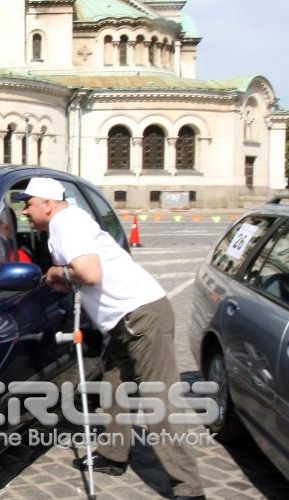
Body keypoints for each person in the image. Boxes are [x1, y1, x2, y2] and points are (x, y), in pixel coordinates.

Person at [18, 177, 205, 500]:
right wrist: (67, 279)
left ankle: (189, 488)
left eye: (29, 204)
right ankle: (113, 455)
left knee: (158, 401)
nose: (24, 212)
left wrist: (55, 274)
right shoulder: (65, 225)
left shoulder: (67, 222)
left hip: (141, 316)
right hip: (125, 320)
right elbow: (86, 275)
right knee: (115, 383)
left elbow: (90, 273)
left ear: (47, 203)